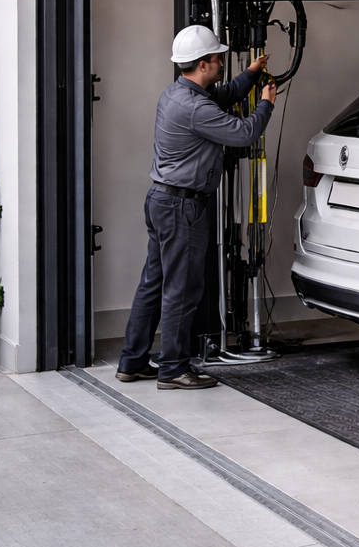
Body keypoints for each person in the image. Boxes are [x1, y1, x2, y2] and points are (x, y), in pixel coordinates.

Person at [118, 25, 276, 389]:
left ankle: (132, 361)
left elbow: (223, 96)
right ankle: (173, 368)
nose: (221, 62)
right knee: (182, 289)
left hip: (162, 201)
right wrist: (266, 102)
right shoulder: (194, 108)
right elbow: (243, 133)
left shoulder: (177, 94)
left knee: (153, 285)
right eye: (218, 58)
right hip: (182, 209)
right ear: (203, 64)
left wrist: (251, 74)